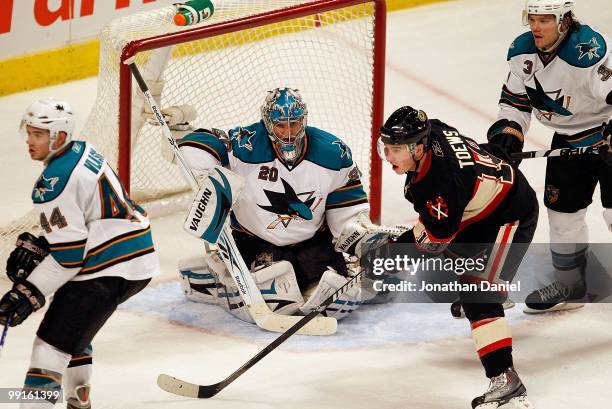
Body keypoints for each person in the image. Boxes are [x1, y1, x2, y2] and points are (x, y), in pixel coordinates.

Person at [0, 98, 160, 409]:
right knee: (74, 327)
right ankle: (78, 397)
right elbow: (83, 221)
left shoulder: (51, 184)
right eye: (29, 133)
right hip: (136, 255)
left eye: (38, 135)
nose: (30, 142)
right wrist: (51, 245)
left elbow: (70, 257)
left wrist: (27, 292)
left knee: (48, 349)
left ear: (58, 137)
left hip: (108, 267)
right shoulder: (82, 150)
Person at [172, 88, 383, 323]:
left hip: (311, 243)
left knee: (336, 291)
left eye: (294, 124)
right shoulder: (246, 144)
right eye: (280, 125)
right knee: (278, 294)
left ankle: (237, 278)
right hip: (256, 242)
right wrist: (206, 177)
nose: (288, 133)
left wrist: (356, 235)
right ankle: (221, 274)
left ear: (303, 119)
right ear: (267, 122)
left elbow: (345, 203)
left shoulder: (333, 152)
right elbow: (197, 143)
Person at [378, 106, 538, 408]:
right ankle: (491, 299)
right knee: (437, 284)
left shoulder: (442, 185)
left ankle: (506, 379)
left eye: (396, 149)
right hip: (476, 214)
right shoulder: (432, 129)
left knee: (478, 291)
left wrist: (387, 256)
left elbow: (432, 242)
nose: (388, 155)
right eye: (386, 146)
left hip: (511, 215)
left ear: (420, 147)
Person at [488, 0, 612, 312]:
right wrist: (508, 133)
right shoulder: (521, 53)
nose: (536, 26)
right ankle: (571, 286)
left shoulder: (589, 51)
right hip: (568, 141)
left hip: (606, 133)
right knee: (562, 216)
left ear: (564, 20)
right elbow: (514, 102)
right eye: (532, 18)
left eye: (545, 19)